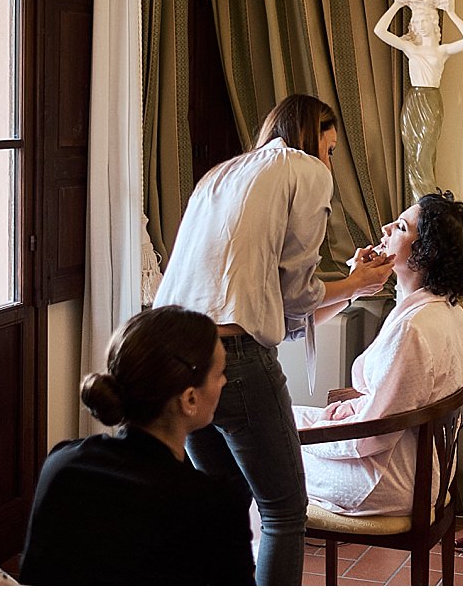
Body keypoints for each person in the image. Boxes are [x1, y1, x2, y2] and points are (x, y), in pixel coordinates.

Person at [152, 94, 395, 585]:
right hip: (234, 360)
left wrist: (350, 287)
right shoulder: (306, 170)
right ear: (310, 139)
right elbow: (296, 292)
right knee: (284, 512)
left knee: (222, 503)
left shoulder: (222, 175)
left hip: (175, 356)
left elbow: (279, 303)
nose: (330, 162)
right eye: (330, 149)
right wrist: (358, 284)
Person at [20, 306, 254, 585]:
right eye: (219, 373)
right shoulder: (215, 506)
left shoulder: (62, 462)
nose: (224, 381)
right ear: (189, 399)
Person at [294, 191, 463, 516]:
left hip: (388, 480)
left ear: (425, 253)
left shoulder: (414, 329)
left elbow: (372, 438)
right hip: (419, 469)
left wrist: (308, 437)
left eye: (402, 228)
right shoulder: (447, 311)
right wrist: (355, 283)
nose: (386, 228)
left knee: (263, 448)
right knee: (281, 417)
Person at [374, 0, 463, 203]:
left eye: (424, 21)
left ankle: (424, 209)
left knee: (424, 156)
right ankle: (419, 208)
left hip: (431, 101)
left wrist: (451, 12)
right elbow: (379, 31)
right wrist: (397, 4)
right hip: (413, 101)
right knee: (413, 157)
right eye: (416, 22)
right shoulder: (410, 47)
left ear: (434, 24)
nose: (420, 26)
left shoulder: (441, 51)